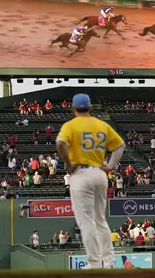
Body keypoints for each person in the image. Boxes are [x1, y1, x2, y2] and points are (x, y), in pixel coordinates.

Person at [56, 93, 125, 269]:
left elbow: (60, 144)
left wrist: (69, 164)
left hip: (81, 173)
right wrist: (109, 166)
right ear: (90, 108)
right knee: (100, 220)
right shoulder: (101, 124)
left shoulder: (70, 125)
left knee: (86, 221)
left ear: (73, 108)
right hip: (100, 174)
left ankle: (94, 262)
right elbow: (120, 146)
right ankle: (109, 261)